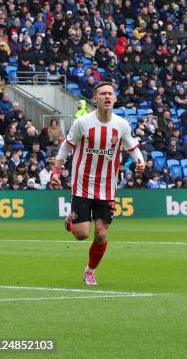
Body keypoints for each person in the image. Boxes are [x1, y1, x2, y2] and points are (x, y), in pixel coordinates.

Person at [53, 82, 144, 285]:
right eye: (102, 93)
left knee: (101, 235)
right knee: (82, 234)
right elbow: (66, 147)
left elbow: (133, 146)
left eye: (110, 93)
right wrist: (57, 171)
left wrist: (141, 162)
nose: (107, 97)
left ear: (115, 98)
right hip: (82, 185)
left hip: (107, 187)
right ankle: (71, 222)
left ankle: (90, 270)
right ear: (95, 99)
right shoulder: (83, 123)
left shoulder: (121, 125)